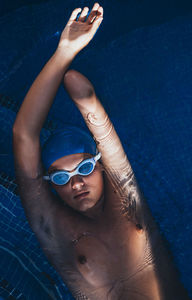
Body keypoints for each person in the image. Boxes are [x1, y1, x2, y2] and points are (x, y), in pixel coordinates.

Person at [12, 3, 189, 299]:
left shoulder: (129, 198)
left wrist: (72, 62)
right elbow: (23, 135)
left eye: (84, 168)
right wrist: (62, 54)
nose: (76, 183)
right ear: (49, 185)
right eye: (59, 178)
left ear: (101, 165)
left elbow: (82, 92)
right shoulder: (53, 227)